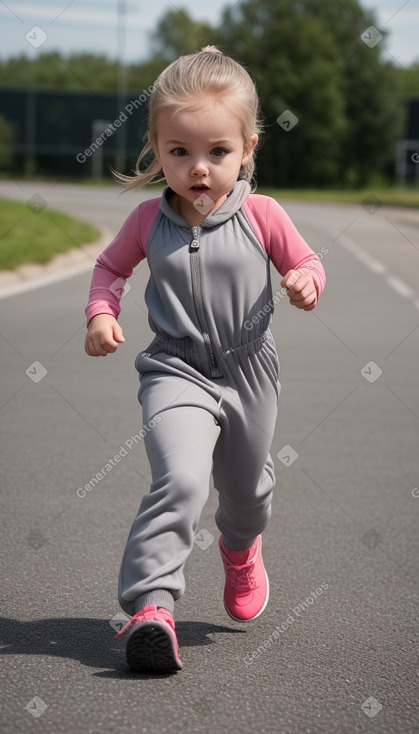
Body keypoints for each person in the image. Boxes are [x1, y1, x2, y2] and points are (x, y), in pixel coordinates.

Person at [84, 46, 326, 674]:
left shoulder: (261, 215)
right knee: (182, 480)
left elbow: (305, 262)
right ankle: (152, 606)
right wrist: (100, 313)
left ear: (246, 149)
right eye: (179, 152)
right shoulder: (147, 220)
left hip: (249, 372)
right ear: (157, 148)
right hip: (174, 370)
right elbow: (110, 268)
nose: (198, 169)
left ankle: (241, 549)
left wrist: (304, 281)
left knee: (245, 493)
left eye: (217, 152)